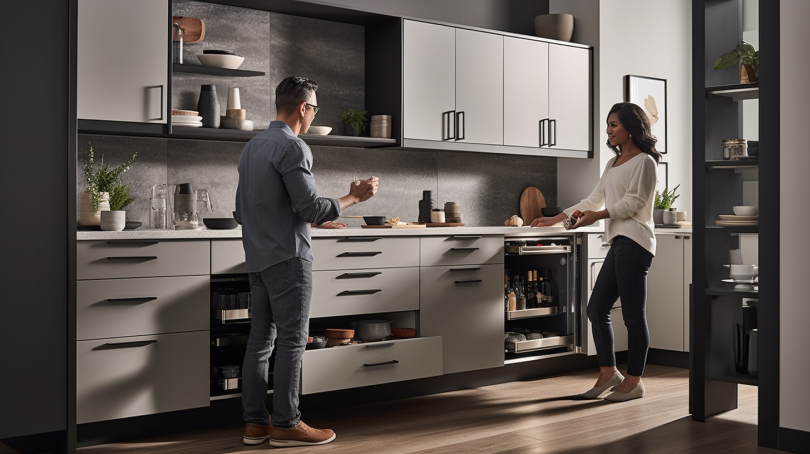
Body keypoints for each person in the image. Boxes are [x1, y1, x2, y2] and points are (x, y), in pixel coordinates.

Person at [236, 76, 379, 447]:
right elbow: (308, 205)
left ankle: (256, 424)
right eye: (314, 108)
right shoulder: (293, 147)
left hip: (258, 260)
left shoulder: (252, 147)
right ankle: (286, 423)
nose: (314, 115)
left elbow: (244, 210)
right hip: (288, 258)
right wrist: (353, 198)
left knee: (260, 341)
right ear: (304, 108)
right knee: (293, 342)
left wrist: (312, 216)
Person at [531, 102, 660, 402]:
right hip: (618, 242)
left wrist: (597, 217)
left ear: (631, 127)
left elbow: (633, 204)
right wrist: (557, 218)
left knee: (632, 316)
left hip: (637, 243)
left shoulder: (645, 162)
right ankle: (608, 373)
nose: (608, 130)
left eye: (614, 124)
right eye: (608, 124)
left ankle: (634, 381)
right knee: (595, 309)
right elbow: (593, 199)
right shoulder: (612, 164)